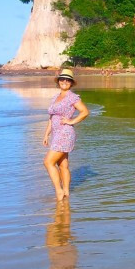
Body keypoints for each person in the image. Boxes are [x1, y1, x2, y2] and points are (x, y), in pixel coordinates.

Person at [43, 69, 90, 201]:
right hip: (56, 133)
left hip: (65, 133)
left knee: (48, 162)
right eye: (62, 79)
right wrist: (46, 134)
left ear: (71, 83)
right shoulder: (55, 98)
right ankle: (66, 193)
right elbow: (51, 118)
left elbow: (85, 112)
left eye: (68, 80)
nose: (65, 81)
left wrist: (71, 121)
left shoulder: (72, 97)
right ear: (58, 81)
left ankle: (59, 192)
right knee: (62, 165)